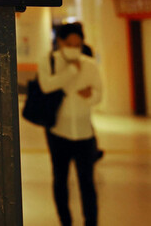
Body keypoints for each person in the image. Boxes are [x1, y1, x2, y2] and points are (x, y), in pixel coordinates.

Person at [38, 23, 102, 226]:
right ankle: (65, 220)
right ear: (60, 42)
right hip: (58, 131)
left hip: (84, 133)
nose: (74, 48)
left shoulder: (90, 64)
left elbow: (99, 93)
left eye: (78, 44)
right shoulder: (49, 61)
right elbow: (47, 86)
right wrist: (71, 72)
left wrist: (90, 96)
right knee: (60, 178)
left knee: (87, 181)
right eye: (69, 44)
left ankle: (91, 221)